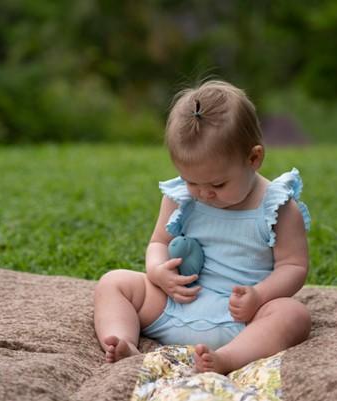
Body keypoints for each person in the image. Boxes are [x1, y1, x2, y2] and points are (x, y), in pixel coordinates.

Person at [94, 80, 311, 374]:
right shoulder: (180, 199)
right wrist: (158, 271)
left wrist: (259, 296)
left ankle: (229, 358)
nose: (204, 194)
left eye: (218, 184)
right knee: (114, 282)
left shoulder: (277, 208)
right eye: (191, 181)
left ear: (254, 158)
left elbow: (293, 266)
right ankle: (122, 343)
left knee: (293, 315)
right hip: (176, 306)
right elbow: (158, 242)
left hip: (243, 319)